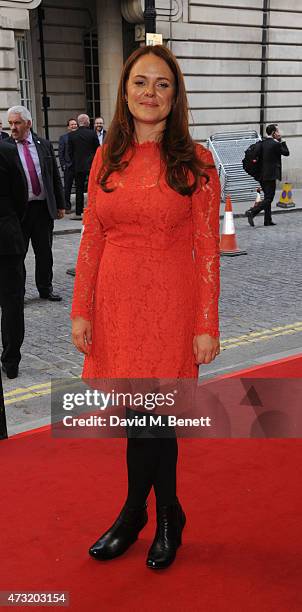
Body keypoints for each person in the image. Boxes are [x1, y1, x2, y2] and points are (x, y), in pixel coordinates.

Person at [71, 45, 220, 570]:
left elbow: (207, 248)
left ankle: (147, 515)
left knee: (158, 419)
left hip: (172, 306)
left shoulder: (196, 161)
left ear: (175, 95)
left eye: (162, 84)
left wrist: (206, 324)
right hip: (117, 305)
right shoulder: (105, 154)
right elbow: (92, 235)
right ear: (124, 90)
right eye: (140, 82)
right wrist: (81, 310)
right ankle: (157, 514)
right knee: (139, 417)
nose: (149, 93)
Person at [8, 105, 65, 302]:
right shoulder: (7, 148)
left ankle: (45, 288)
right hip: (19, 212)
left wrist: (60, 203)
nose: (13, 128)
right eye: (10, 123)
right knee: (17, 255)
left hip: (42, 209)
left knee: (44, 252)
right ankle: (18, 294)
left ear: (29, 124)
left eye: (17, 123)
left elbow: (54, 176)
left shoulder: (44, 144)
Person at [0, 140, 28, 379]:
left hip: (8, 237)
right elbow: (21, 194)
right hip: (7, 238)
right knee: (11, 304)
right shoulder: (8, 151)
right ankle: (11, 361)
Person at [245, 124, 289, 227]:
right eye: (277, 131)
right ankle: (252, 211)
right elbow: (286, 153)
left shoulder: (262, 143)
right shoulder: (276, 144)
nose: (279, 132)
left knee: (267, 197)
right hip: (270, 175)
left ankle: (267, 220)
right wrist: (281, 140)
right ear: (274, 133)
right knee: (269, 198)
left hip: (261, 175)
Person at [68, 114, 99, 219]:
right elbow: (97, 150)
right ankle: (93, 209)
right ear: (87, 122)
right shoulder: (92, 134)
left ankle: (78, 211)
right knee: (93, 188)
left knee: (79, 189)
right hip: (91, 165)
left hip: (78, 166)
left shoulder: (72, 135)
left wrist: (74, 162)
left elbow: (70, 152)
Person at [58, 118, 78, 213]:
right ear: (68, 127)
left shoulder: (79, 137)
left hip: (78, 166)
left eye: (75, 124)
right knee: (67, 187)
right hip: (68, 166)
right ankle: (67, 206)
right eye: (72, 125)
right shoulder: (63, 138)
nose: (74, 126)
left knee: (79, 187)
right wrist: (63, 165)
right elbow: (61, 153)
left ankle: (79, 206)